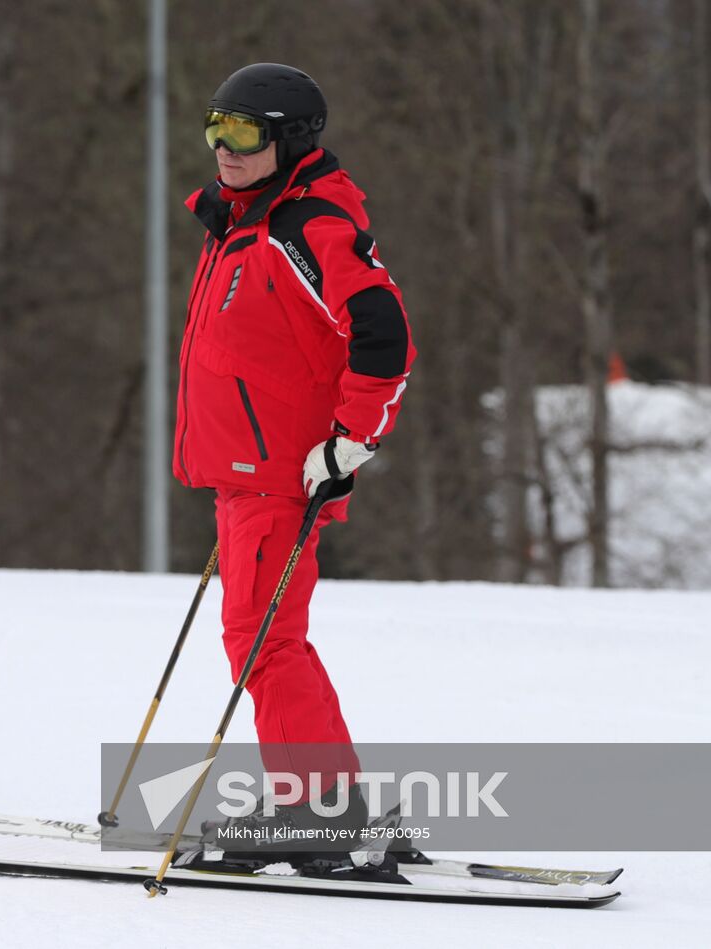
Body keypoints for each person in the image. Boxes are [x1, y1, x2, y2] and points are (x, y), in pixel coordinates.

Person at [172, 63, 416, 870]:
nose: (223, 147)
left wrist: (352, 441)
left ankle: (316, 816)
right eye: (215, 127)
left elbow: (384, 332)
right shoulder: (246, 219)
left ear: (290, 140)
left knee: (263, 639)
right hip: (245, 468)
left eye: (244, 132)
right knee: (266, 636)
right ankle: (335, 806)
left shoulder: (305, 225)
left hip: (283, 473)